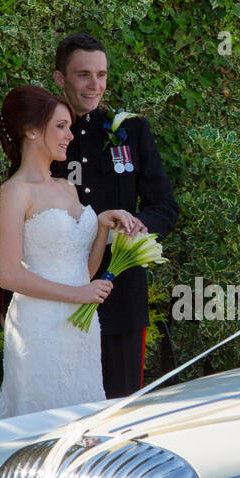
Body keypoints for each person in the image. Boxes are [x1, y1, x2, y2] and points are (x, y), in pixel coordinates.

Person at [0, 85, 142, 420]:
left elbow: (82, 271)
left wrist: (101, 226)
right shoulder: (14, 193)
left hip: (80, 328)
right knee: (39, 422)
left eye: (69, 127)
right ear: (30, 130)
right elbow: (9, 274)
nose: (69, 135)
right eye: (60, 126)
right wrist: (78, 294)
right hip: (38, 327)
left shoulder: (67, 187)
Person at [53, 31, 178, 397]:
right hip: (62, 290)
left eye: (102, 75)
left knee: (121, 407)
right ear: (60, 78)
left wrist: (138, 227)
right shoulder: (46, 133)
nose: (95, 85)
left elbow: (165, 207)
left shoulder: (132, 130)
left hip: (121, 296)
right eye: (83, 75)